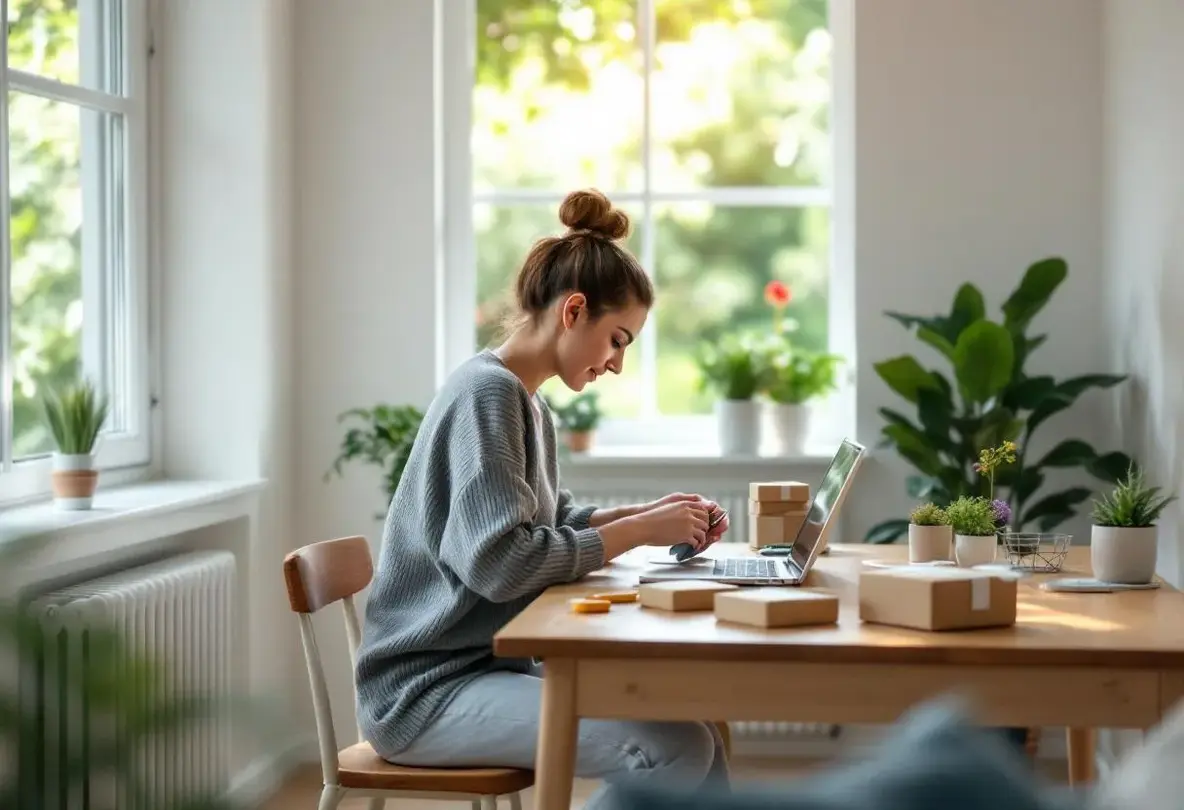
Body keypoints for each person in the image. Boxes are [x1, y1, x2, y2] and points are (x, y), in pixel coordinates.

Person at [354, 188, 733, 808]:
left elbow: (545, 524)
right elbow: (501, 564)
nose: (616, 364)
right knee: (680, 748)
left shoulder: (525, 400)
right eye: (618, 339)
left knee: (698, 734)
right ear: (574, 310)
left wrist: (641, 518)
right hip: (426, 692)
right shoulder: (488, 396)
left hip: (480, 670)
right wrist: (633, 532)